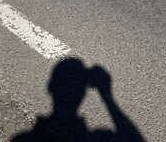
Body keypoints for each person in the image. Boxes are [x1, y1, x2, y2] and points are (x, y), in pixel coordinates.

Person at [12, 58, 145, 142]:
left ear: (50, 88)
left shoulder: (23, 139)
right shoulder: (96, 138)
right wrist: (107, 97)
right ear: (83, 93)